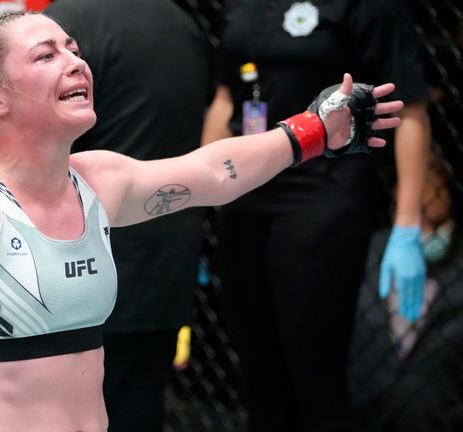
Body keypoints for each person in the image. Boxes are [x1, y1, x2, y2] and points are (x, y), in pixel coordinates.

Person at [0, 11, 403, 432]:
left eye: (74, 48)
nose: (75, 61)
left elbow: (214, 171)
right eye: (47, 55)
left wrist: (316, 130)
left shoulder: (98, 179)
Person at [200, 0, 431, 430]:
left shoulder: (365, 8)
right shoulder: (238, 6)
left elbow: (411, 110)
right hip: (246, 192)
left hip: (323, 194)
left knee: (314, 372)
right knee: (257, 370)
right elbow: (226, 97)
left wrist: (407, 224)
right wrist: (195, 199)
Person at [42, 1, 212, 430]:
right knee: (139, 401)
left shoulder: (65, 25)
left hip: (86, 258)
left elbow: (39, 141)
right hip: (165, 246)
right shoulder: (181, 22)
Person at [349, 149, 463, 431]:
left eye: (433, 222)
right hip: (365, 414)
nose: (425, 231)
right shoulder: (367, 253)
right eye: (417, 219)